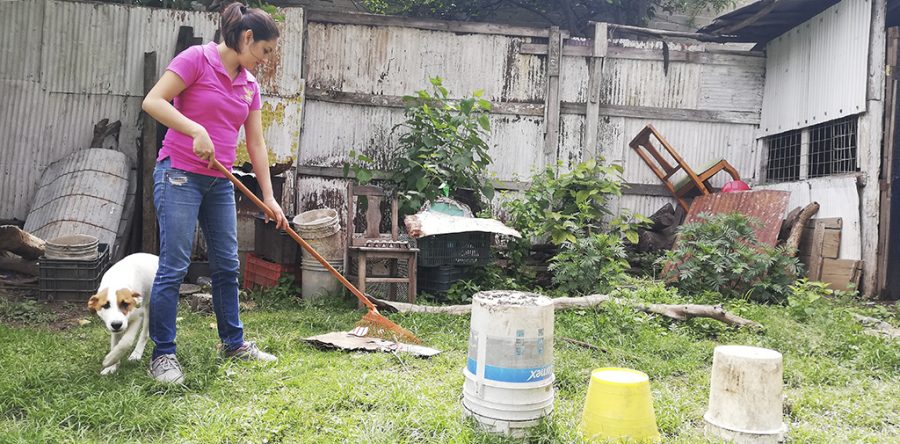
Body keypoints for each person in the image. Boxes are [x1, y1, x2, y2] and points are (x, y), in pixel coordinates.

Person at [141, 2, 288, 384]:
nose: (265, 60)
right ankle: (163, 354)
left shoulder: (249, 85)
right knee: (175, 265)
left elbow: (255, 143)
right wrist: (195, 129)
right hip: (179, 174)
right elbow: (153, 101)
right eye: (264, 50)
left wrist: (269, 196)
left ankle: (233, 344)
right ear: (247, 37)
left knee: (227, 265)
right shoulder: (196, 59)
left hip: (219, 182)